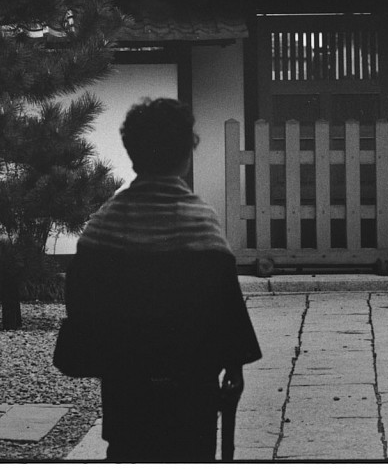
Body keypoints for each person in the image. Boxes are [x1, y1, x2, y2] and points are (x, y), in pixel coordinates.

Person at [54, 97, 261, 462]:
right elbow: (226, 306)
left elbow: (81, 301)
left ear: (133, 155)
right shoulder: (201, 223)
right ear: (186, 157)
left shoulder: (106, 224)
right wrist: (234, 365)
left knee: (127, 452)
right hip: (192, 384)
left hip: (126, 380)